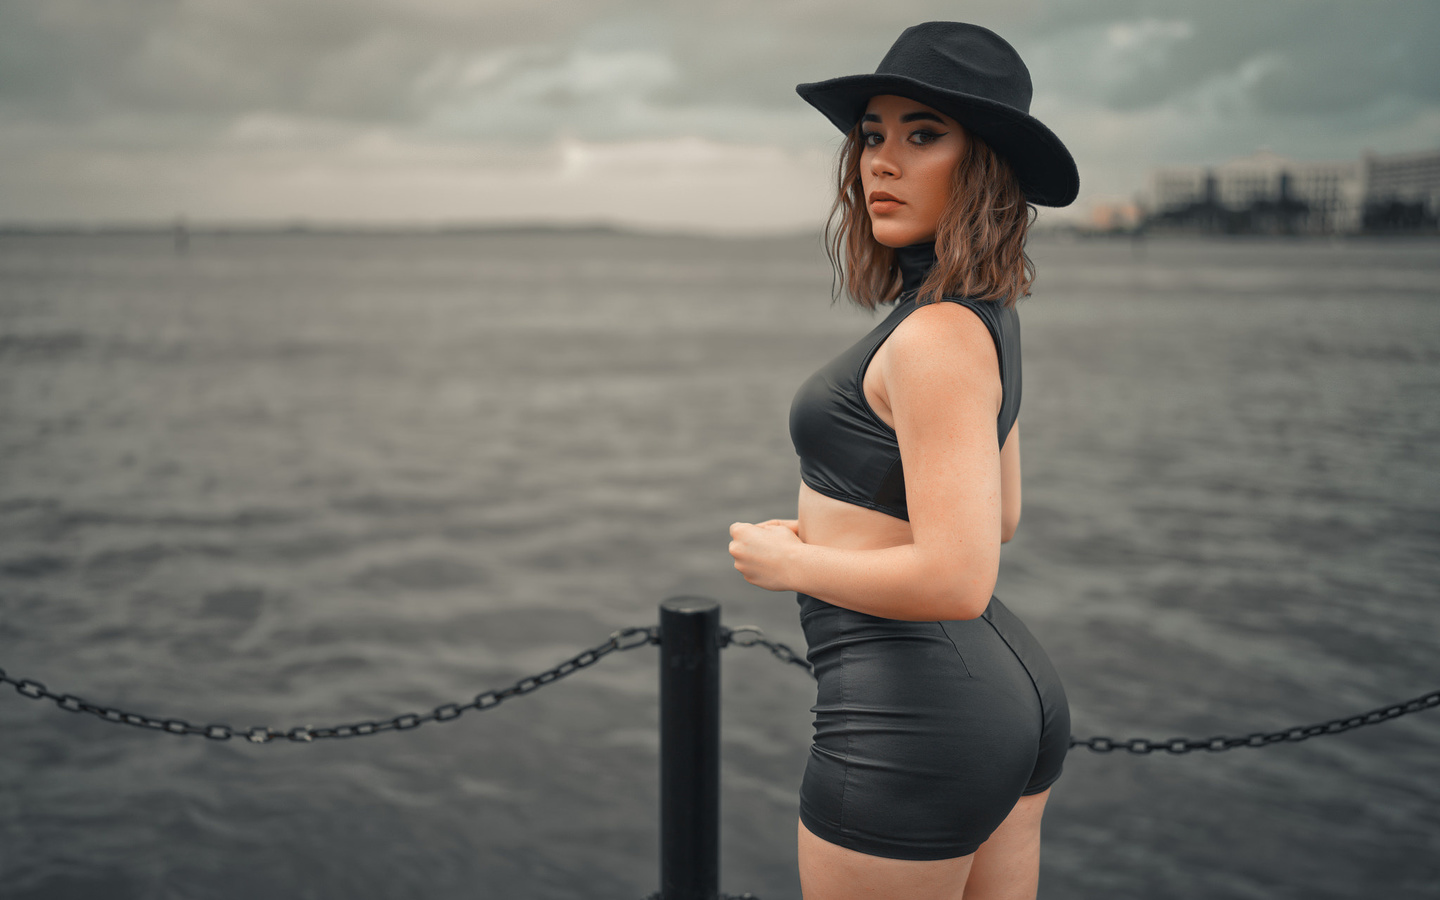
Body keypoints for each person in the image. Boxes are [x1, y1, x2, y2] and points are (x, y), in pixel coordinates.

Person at [727, 22, 1078, 900]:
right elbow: (996, 512)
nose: (881, 161)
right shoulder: (978, 313)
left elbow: (960, 576)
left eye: (922, 135)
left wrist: (791, 561)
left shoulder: (935, 337)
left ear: (984, 162)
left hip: (909, 722)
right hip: (998, 694)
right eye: (872, 135)